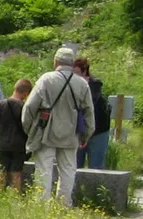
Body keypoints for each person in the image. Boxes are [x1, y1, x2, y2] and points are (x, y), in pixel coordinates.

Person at [22, 46, 97, 206]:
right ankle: (64, 205)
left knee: (44, 171)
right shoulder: (82, 84)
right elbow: (89, 112)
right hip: (71, 134)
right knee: (68, 171)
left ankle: (42, 207)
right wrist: (86, 135)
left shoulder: (46, 79)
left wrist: (29, 129)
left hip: (46, 132)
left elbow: (29, 107)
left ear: (56, 62)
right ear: (72, 63)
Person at [0, 78, 33, 192]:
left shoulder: (2, 103)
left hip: (4, 143)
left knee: (2, 169)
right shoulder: (23, 107)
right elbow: (28, 125)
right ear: (26, 93)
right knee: (16, 171)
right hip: (19, 144)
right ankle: (16, 196)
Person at [74, 58, 111, 169]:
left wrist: (84, 85)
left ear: (84, 71)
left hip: (99, 130)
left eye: (75, 72)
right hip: (79, 130)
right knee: (75, 165)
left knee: (96, 166)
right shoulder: (70, 84)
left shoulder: (95, 84)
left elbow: (91, 102)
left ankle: (96, 186)